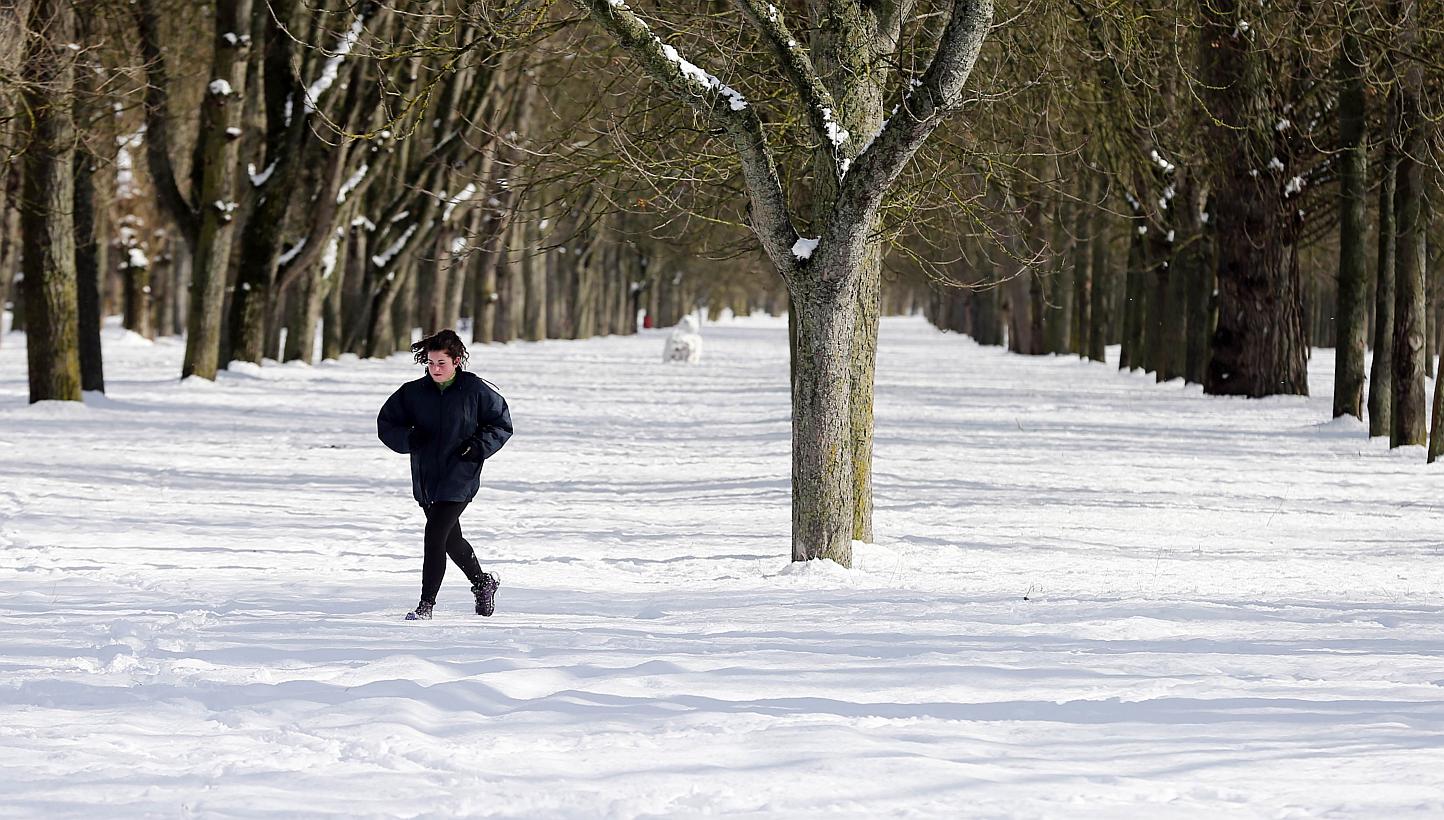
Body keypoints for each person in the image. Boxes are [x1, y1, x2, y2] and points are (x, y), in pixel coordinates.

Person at [377, 329, 513, 620]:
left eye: (442, 363)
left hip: (461, 475)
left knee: (434, 535)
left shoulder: (476, 391)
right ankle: (482, 582)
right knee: (450, 539)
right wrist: (409, 439)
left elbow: (501, 424)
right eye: (430, 362)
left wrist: (477, 448)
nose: (435, 369)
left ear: (457, 361)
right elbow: (387, 424)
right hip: (427, 477)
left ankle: (426, 606)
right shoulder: (412, 393)